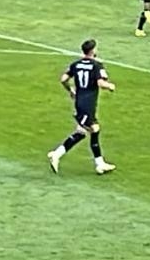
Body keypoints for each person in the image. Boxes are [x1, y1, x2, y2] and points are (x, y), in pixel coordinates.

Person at [46, 39, 117, 175]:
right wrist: (110, 86)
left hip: (80, 102)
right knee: (83, 131)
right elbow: (101, 83)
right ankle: (57, 154)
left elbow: (63, 79)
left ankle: (100, 164)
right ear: (93, 51)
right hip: (88, 104)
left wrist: (70, 90)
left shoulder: (76, 64)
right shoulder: (97, 65)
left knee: (93, 129)